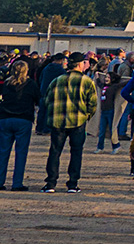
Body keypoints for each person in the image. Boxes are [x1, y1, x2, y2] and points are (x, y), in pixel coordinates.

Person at [40, 52, 98, 193]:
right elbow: (93, 104)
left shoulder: (57, 80)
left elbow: (46, 99)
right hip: (78, 121)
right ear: (80, 64)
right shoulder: (87, 81)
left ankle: (51, 183)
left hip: (57, 122)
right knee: (76, 152)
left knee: (55, 152)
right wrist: (86, 116)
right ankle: (72, 184)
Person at [0, 57, 38, 192]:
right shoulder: (31, 84)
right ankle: (17, 183)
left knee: (3, 152)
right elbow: (39, 100)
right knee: (21, 153)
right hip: (23, 119)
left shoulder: (6, 84)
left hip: (6, 118)